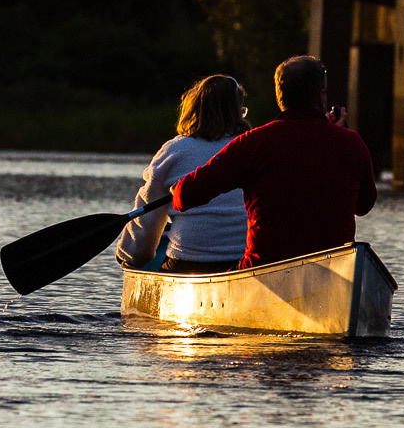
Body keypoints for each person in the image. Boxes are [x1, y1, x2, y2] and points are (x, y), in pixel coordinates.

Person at [171, 55, 377, 270]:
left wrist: (176, 189)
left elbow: (184, 197)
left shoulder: (252, 143)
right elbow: (363, 206)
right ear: (321, 96)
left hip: (262, 270)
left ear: (279, 98)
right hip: (335, 271)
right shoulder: (352, 142)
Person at [116, 75, 250, 274]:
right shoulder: (254, 147)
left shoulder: (174, 151)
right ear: (238, 111)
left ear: (194, 109)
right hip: (248, 263)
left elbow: (147, 222)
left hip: (187, 262)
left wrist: (129, 256)